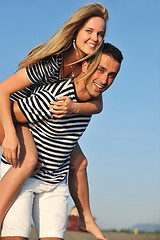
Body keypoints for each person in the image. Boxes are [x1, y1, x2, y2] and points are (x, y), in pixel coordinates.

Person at [0, 3, 108, 237]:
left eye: (100, 33)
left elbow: (97, 104)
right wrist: (8, 135)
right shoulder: (52, 62)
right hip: (11, 115)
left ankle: (86, 218)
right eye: (89, 31)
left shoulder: (87, 68)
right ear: (76, 30)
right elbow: (3, 90)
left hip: (41, 120)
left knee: (80, 162)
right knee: (28, 160)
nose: (95, 38)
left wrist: (74, 107)